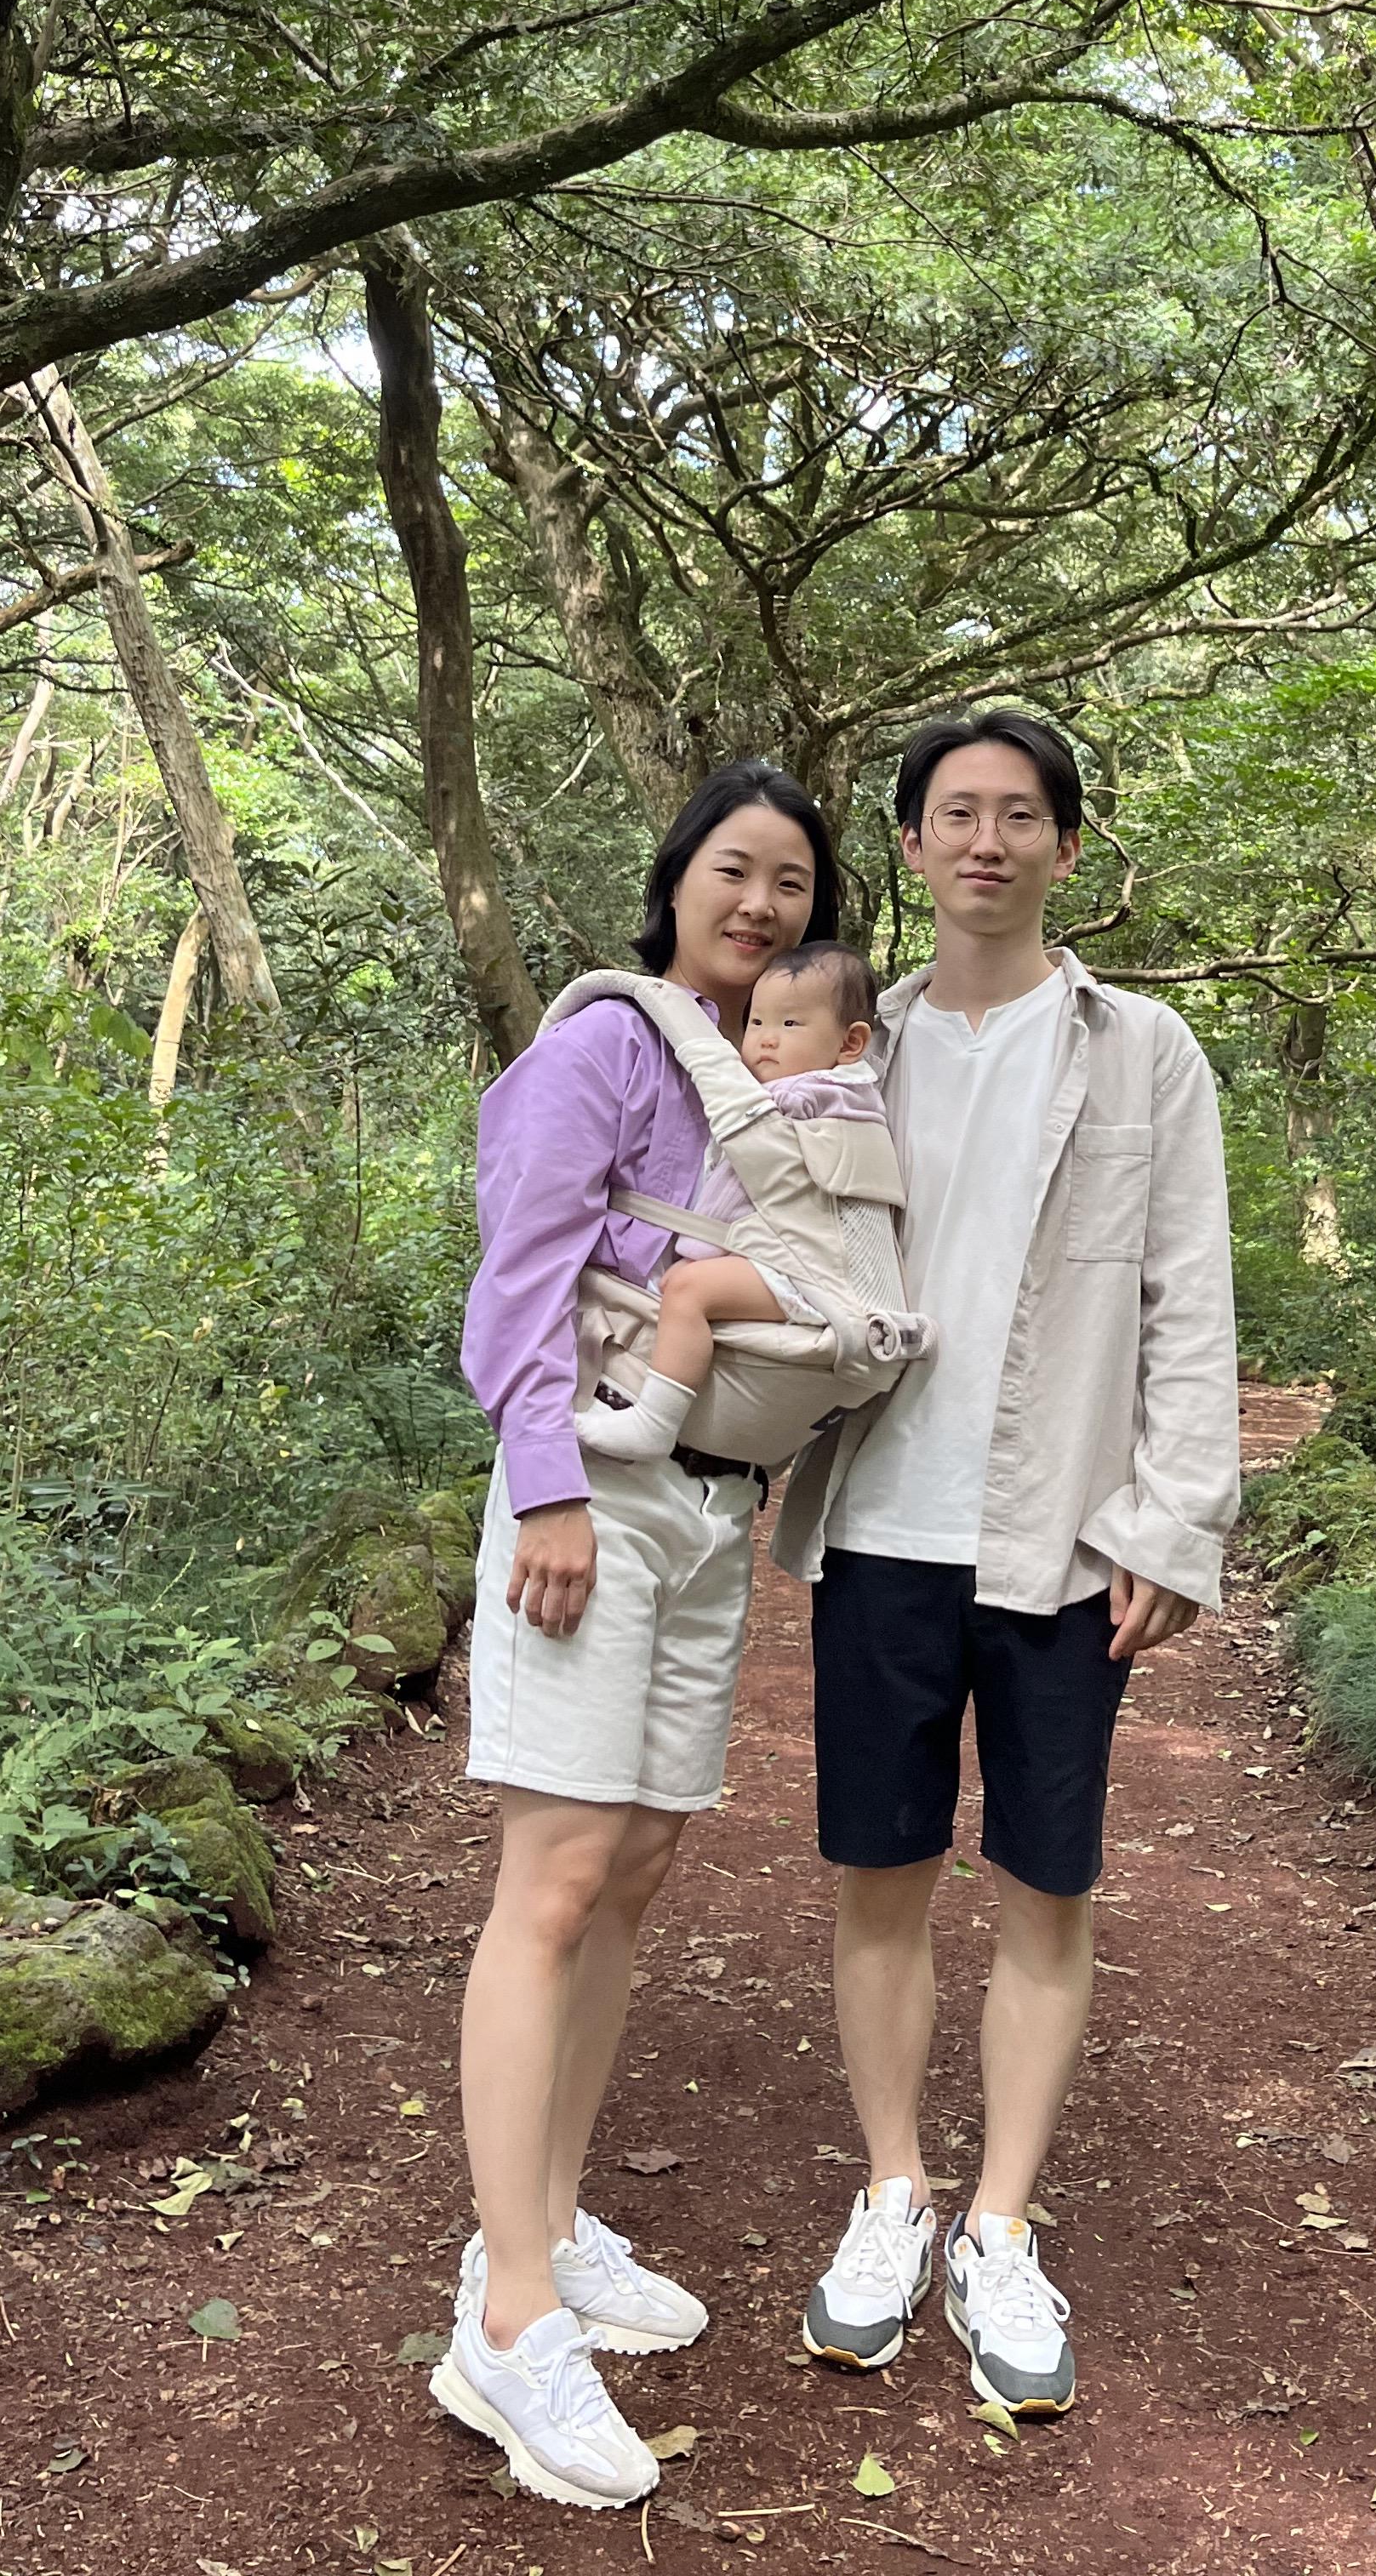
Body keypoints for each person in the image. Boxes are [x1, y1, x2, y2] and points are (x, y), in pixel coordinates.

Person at [774, 706, 1239, 2421]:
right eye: (955, 813)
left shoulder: (1141, 1053)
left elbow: (1188, 1291)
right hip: (879, 1524)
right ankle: (893, 2189)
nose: (987, 840)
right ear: (908, 844)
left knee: (1046, 1884)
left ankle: (998, 2222)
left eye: (1019, 814)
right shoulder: (853, 1047)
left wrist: (1171, 1518)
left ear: (1064, 843)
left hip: (1060, 1541)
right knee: (877, 1874)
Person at [433, 761, 841, 2511]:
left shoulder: (785, 1085)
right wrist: (543, 1491)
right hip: (588, 1493)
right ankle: (508, 2316)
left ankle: (540, 2215)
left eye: (790, 883)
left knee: (640, 1865)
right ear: (676, 879)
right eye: (733, 869)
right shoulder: (605, 1045)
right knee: (553, 1877)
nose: (758, 903)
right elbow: (519, 1274)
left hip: (708, 1508)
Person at [578, 938, 920, 1461]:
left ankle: (653, 1424)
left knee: (686, 1287)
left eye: (790, 1023)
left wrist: (695, 1252)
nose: (765, 1039)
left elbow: (736, 1189)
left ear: (851, 1042)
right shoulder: (858, 1097)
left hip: (809, 1279)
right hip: (839, 1282)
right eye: (756, 1022)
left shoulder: (794, 1100)